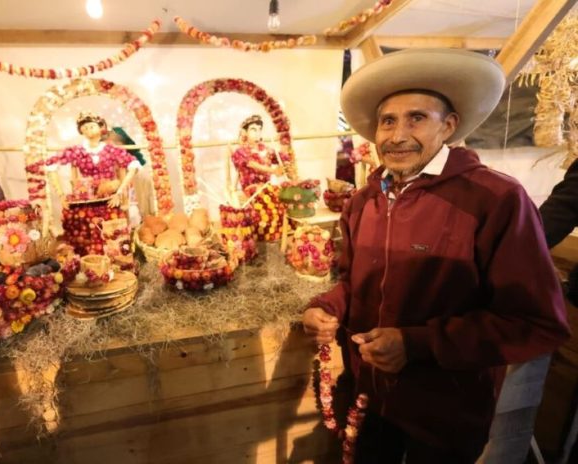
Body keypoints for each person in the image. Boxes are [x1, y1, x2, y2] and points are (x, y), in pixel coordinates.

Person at [302, 48, 571, 463]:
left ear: (449, 126)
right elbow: (351, 281)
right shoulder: (363, 201)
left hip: (446, 409)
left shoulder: (496, 199)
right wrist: (327, 308)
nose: (397, 134)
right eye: (388, 121)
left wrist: (416, 343)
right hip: (369, 397)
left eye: (417, 118)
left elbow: (535, 322)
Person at [47, 112, 139, 256]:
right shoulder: (77, 151)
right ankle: (86, 259)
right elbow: (51, 166)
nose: (89, 129)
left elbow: (134, 166)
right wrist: (61, 195)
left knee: (113, 232)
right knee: (78, 224)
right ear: (81, 131)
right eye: (85, 128)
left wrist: (120, 192)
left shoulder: (111, 150)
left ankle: (115, 259)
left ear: (101, 128)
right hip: (86, 199)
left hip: (108, 199)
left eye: (92, 126)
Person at [229, 114, 288, 241]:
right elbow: (251, 164)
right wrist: (272, 170)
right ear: (245, 132)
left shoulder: (266, 149)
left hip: (267, 188)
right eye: (253, 130)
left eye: (259, 129)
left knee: (284, 198)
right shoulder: (241, 151)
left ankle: (277, 240)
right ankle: (264, 240)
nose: (257, 133)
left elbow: (281, 160)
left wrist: (283, 158)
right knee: (267, 203)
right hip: (252, 190)